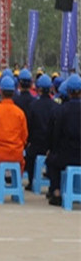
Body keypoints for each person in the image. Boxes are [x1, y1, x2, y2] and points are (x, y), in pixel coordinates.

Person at [0, 76, 28, 199]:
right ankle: (15, 187)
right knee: (22, 163)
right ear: (13, 92)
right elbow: (24, 136)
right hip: (16, 153)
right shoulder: (20, 113)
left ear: (0, 92)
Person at [46, 74, 81, 206]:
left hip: (65, 155)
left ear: (68, 92)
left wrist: (52, 150)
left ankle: (56, 192)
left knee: (51, 162)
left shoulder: (60, 111)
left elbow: (55, 135)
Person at [24, 74, 58, 191]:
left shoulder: (33, 106)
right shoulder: (55, 106)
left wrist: (29, 141)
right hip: (50, 147)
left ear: (39, 89)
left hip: (36, 144)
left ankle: (31, 181)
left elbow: (29, 126)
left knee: (29, 155)